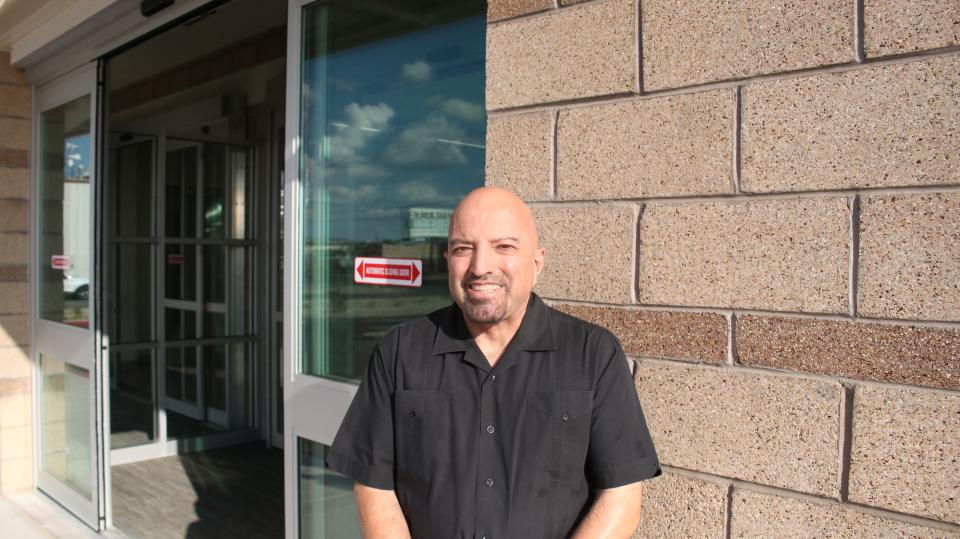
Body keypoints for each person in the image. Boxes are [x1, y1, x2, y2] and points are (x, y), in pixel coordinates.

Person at [327, 187, 660, 538]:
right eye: (463, 248)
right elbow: (373, 485)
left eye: (504, 246)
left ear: (537, 263)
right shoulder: (399, 351)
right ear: (447, 259)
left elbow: (621, 496)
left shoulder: (593, 354)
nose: (480, 267)